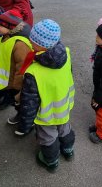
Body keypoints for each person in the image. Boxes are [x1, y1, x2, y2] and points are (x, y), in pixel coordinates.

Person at [18, 19, 75, 173]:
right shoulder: (67, 54)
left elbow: (29, 102)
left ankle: (51, 161)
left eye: (33, 40)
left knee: (48, 137)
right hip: (64, 105)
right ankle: (68, 150)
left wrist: (24, 124)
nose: (30, 41)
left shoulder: (34, 72)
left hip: (46, 113)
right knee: (65, 128)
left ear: (40, 45)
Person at [0, 10, 32, 111]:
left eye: (1, 25)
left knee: (20, 104)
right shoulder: (6, 37)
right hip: (9, 82)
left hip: (16, 85)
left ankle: (22, 118)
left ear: (11, 28)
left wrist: (16, 87)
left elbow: (22, 68)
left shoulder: (19, 45)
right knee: (16, 104)